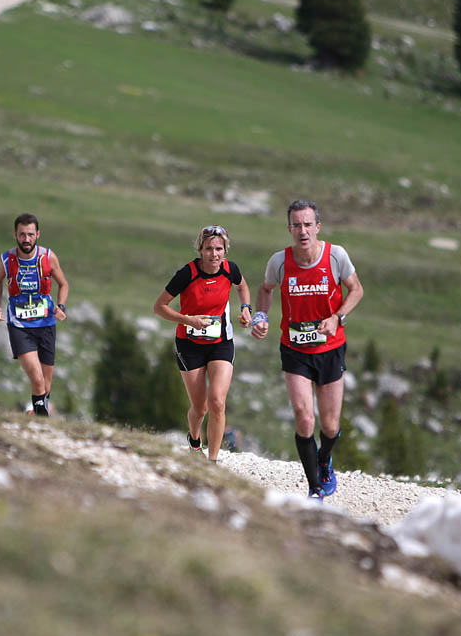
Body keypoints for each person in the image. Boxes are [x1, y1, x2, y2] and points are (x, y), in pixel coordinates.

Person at [251, 200, 364, 501]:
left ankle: (325, 459)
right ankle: (315, 488)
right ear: (289, 229)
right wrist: (261, 317)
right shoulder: (280, 261)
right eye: (296, 225)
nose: (303, 231)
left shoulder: (336, 256)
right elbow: (265, 290)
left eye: (307, 224)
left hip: (330, 348)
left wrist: (337, 317)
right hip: (295, 349)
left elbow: (356, 290)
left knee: (329, 425)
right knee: (304, 417)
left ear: (317, 227)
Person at [153, 225, 252, 461]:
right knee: (200, 408)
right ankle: (195, 439)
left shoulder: (230, 269)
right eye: (209, 249)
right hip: (189, 344)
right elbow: (159, 307)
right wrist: (188, 319)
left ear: (225, 250)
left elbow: (242, 286)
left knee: (217, 401)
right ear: (200, 249)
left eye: (219, 249)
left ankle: (212, 461)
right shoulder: (187, 274)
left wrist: (246, 308)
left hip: (221, 342)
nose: (214, 254)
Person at [0, 213, 70, 416]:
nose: (26, 239)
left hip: (45, 322)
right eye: (22, 234)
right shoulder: (6, 259)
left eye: (30, 235)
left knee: (46, 383)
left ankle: (35, 415)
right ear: (15, 235)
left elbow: (63, 284)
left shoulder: (48, 257)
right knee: (36, 378)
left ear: (38, 235)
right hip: (19, 324)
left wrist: (61, 306)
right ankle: (43, 423)